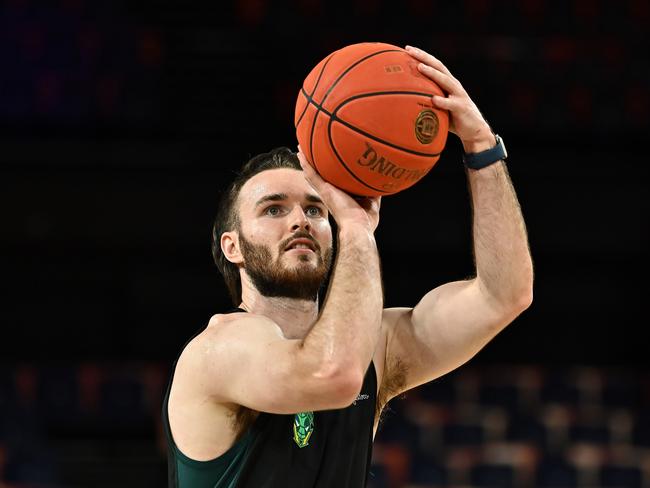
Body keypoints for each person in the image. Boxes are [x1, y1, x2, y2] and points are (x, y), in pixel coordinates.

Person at [161, 45, 533, 487]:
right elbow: (331, 374)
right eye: (274, 210)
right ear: (233, 247)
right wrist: (356, 230)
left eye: (317, 210)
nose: (300, 219)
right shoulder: (217, 351)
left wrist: (482, 148)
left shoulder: (372, 347)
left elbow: (504, 295)